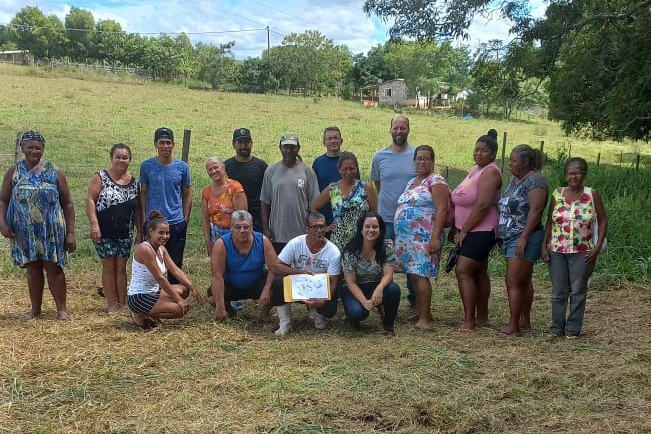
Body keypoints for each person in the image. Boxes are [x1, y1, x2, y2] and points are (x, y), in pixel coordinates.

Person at [0, 131, 76, 320]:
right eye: (30, 147)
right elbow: (3, 200)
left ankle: (61, 309)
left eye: (38, 147)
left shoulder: (54, 171)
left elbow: (67, 203)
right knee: (33, 267)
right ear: (23, 148)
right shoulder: (13, 172)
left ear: (43, 149)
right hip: (25, 231)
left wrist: (71, 232)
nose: (34, 150)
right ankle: (35, 309)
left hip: (51, 230)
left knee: (54, 267)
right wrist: (2, 223)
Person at [542, 157, 607, 338]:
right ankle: (556, 328)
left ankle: (573, 329)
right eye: (570, 173)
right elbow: (549, 222)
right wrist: (543, 246)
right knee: (558, 291)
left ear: (584, 174)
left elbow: (602, 221)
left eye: (577, 172)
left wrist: (597, 246)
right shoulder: (557, 194)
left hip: (583, 252)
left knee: (578, 291)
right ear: (565, 175)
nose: (573, 176)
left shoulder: (592, 194)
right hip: (557, 250)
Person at [449, 130, 502, 332]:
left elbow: (482, 205)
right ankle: (482, 317)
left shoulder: (490, 172)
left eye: (484, 151)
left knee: (463, 270)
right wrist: (456, 226)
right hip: (469, 228)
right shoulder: (476, 169)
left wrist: (465, 231)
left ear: (493, 154)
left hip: (483, 228)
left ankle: (469, 320)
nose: (479, 153)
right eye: (477, 149)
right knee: (479, 271)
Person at [393, 145, 449, 329]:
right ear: (414, 161)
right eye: (419, 158)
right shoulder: (412, 181)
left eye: (426, 158)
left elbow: (442, 209)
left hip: (423, 237)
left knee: (421, 274)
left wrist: (435, 238)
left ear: (432, 161)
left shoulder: (436, 180)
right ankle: (422, 311)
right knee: (413, 275)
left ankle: (425, 319)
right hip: (407, 239)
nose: (422, 162)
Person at [498, 144, 548, 335]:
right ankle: (524, 321)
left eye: (513, 161)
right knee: (523, 280)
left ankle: (514, 325)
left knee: (513, 281)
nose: (510, 164)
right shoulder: (514, 180)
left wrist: (524, 237)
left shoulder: (536, 181)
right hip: (511, 236)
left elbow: (536, 210)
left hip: (524, 236)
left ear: (526, 162)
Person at [86, 143, 141, 314]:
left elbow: (137, 209)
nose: (121, 160)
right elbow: (90, 200)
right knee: (109, 266)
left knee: (121, 267)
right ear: (111, 158)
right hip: (104, 230)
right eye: (118, 156)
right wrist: (94, 224)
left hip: (125, 231)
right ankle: (112, 304)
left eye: (125, 157)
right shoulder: (100, 177)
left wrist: (140, 230)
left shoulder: (134, 183)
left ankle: (123, 303)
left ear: (130, 160)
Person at [127, 211, 202, 330]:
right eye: (161, 233)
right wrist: (179, 300)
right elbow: (160, 278)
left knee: (184, 290)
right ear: (151, 232)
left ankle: (154, 310)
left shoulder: (161, 248)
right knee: (179, 309)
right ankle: (139, 314)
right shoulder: (145, 249)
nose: (165, 236)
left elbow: (175, 270)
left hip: (154, 291)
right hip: (139, 297)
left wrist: (192, 286)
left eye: (167, 233)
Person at [371, 115, 417, 306]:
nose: (399, 131)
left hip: (411, 220)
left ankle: (415, 301)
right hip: (386, 219)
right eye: (395, 128)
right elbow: (378, 185)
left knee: (412, 263)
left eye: (403, 128)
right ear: (390, 130)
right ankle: (381, 300)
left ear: (408, 129)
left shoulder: (417, 155)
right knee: (383, 261)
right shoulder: (379, 156)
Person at [271, 212, 341, 336]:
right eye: (315, 227)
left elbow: (334, 281)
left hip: (320, 289)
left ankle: (319, 314)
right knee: (277, 282)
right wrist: (299, 272)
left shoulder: (333, 251)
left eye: (322, 226)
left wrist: (322, 302)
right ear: (306, 229)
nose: (319, 230)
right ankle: (285, 323)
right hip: (299, 285)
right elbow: (276, 266)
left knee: (330, 308)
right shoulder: (295, 243)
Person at [209, 210, 286, 321]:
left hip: (257, 284)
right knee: (212, 298)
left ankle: (264, 314)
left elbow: (274, 268)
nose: (242, 231)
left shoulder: (263, 241)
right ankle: (229, 311)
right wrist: (220, 307)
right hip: (231, 286)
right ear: (231, 227)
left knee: (278, 285)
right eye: (238, 227)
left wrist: (267, 288)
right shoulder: (221, 244)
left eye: (246, 227)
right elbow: (217, 277)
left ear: (252, 228)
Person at [139, 127, 191, 284]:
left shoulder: (182, 167)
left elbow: (187, 195)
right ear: (155, 144)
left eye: (168, 142)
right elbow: (143, 193)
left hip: (175, 222)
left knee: (175, 263)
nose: (165, 146)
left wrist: (185, 220)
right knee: (151, 263)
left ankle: (174, 297)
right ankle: (152, 296)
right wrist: (144, 219)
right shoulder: (146, 166)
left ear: (173, 144)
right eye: (162, 143)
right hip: (153, 224)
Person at [342, 212, 401, 336]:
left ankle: (388, 324)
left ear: (380, 229)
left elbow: (388, 274)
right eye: (367, 226)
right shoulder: (350, 251)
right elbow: (350, 283)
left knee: (393, 290)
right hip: (354, 288)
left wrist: (379, 288)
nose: (371, 230)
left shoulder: (387, 245)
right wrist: (364, 301)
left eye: (375, 227)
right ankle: (352, 318)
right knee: (358, 312)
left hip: (375, 284)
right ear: (361, 229)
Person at [261, 132, 320, 254]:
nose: (288, 151)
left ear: (298, 148)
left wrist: (312, 229)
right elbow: (265, 202)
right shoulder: (271, 171)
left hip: (302, 233)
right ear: (280, 148)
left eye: (292, 147)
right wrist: (266, 228)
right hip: (278, 234)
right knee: (280, 269)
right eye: (285, 147)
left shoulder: (307, 171)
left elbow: (315, 204)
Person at [311, 151, 377, 252]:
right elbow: (314, 207)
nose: (348, 172)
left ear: (356, 168)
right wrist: (325, 227)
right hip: (338, 241)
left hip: (361, 239)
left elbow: (375, 213)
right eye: (345, 169)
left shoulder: (365, 187)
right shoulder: (332, 189)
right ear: (339, 170)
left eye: (351, 168)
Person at [311, 126, 360, 230]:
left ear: (341, 141)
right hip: (325, 218)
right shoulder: (318, 163)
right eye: (329, 138)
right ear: (324, 142)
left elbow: (358, 187)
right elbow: (314, 190)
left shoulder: (349, 163)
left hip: (349, 219)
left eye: (335, 138)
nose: (333, 141)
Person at [201, 157, 247, 256]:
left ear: (223, 168)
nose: (213, 171)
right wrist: (208, 242)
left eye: (216, 167)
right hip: (215, 233)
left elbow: (243, 216)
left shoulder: (235, 187)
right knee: (219, 266)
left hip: (234, 233)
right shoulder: (206, 191)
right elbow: (205, 218)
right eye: (210, 169)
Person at [224, 128, 268, 233]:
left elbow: (267, 194)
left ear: (251, 144)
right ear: (233, 144)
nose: (243, 146)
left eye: (247, 142)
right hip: (232, 218)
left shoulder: (261, 166)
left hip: (256, 220)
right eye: (240, 142)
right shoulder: (226, 166)